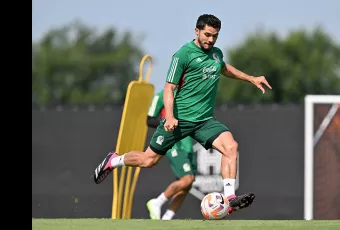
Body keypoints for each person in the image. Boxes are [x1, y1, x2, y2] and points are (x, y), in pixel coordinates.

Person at [93, 14, 272, 215]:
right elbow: (169, 88)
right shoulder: (183, 55)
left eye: (215, 36)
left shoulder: (216, 54)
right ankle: (113, 160)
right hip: (180, 120)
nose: (211, 40)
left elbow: (224, 67)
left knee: (231, 147)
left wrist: (251, 78)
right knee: (148, 160)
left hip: (204, 120)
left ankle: (229, 198)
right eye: (207, 35)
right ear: (196, 31)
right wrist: (169, 116)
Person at [145, 90, 197, 220]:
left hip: (187, 145)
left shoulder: (188, 93)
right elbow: (149, 120)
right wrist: (168, 124)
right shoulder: (162, 95)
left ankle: (167, 218)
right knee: (187, 179)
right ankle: (157, 202)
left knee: (186, 184)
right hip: (174, 144)